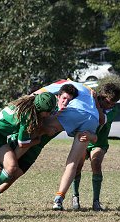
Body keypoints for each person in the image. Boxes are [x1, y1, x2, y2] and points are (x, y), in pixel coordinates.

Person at [0, 84, 79, 210]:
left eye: (69, 100)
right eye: (64, 98)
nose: (66, 102)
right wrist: (45, 129)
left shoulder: (68, 116)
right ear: (58, 96)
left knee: (11, 177)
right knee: (8, 168)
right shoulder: (46, 105)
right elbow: (32, 122)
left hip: (34, 150)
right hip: (23, 143)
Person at [33, 79, 100, 211]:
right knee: (73, 162)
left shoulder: (61, 84)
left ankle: (14, 142)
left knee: (40, 125)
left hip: (77, 112)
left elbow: (37, 94)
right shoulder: (86, 88)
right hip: (93, 119)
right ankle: (59, 199)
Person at [70, 82, 120, 211]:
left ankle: (96, 201)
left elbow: (101, 120)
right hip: (83, 139)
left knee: (96, 163)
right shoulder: (90, 101)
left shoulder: (113, 110)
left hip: (99, 142)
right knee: (77, 166)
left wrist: (97, 104)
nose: (111, 105)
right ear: (102, 96)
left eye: (114, 103)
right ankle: (75, 196)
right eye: (109, 102)